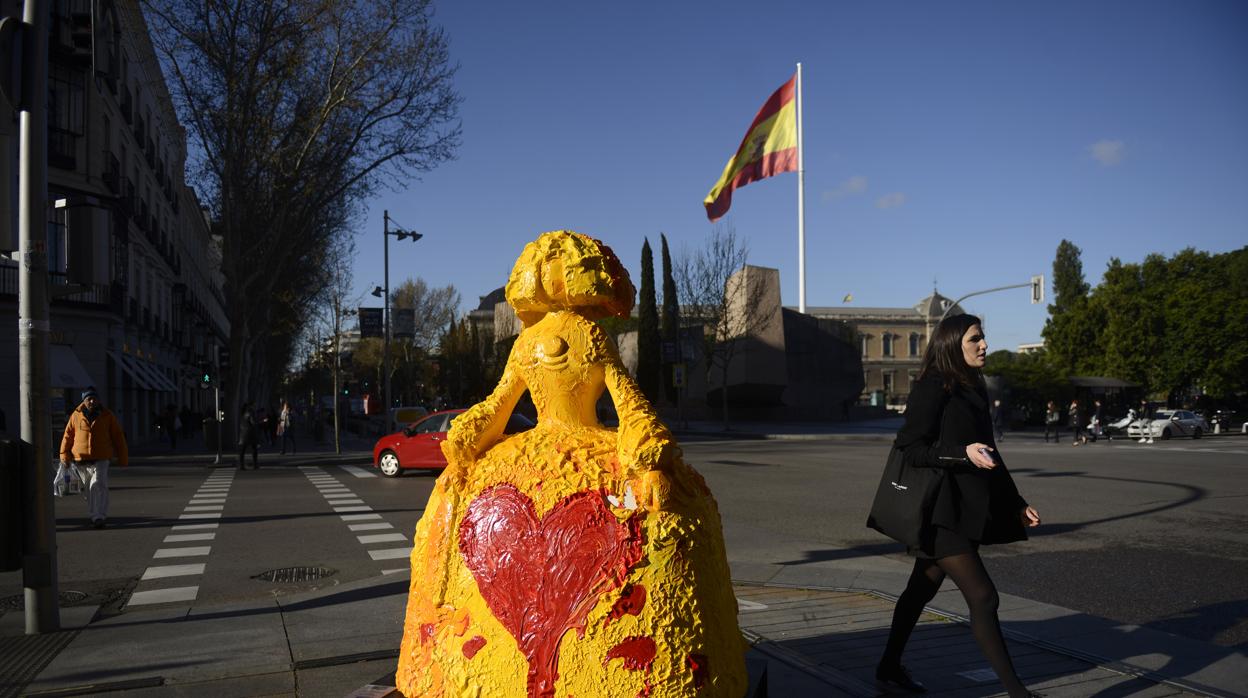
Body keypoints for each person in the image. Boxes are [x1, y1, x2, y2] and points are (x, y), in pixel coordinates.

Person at [876, 314, 1042, 697]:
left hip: (963, 509)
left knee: (921, 589)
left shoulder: (973, 386)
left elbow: (989, 451)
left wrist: (1016, 502)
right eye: (975, 339)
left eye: (983, 338)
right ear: (953, 345)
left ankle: (887, 666)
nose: (984, 345)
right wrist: (961, 454)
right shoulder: (935, 386)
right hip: (938, 511)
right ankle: (1018, 692)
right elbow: (911, 449)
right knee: (984, 596)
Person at [59, 387, 129, 529]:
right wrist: (64, 455)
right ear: (83, 401)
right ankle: (94, 514)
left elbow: (118, 436)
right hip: (81, 458)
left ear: (98, 400)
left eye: (94, 398)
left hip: (101, 457)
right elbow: (67, 436)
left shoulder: (107, 415)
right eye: (88, 399)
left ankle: (100, 515)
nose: (92, 401)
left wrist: (123, 457)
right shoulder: (76, 415)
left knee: (98, 484)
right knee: (89, 489)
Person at [238, 401, 260, 470]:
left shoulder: (243, 413)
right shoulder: (251, 412)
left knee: (242, 450)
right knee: (254, 449)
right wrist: (259, 422)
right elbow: (253, 422)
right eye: (254, 405)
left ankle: (241, 465)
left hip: (243, 433)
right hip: (250, 433)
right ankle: (255, 465)